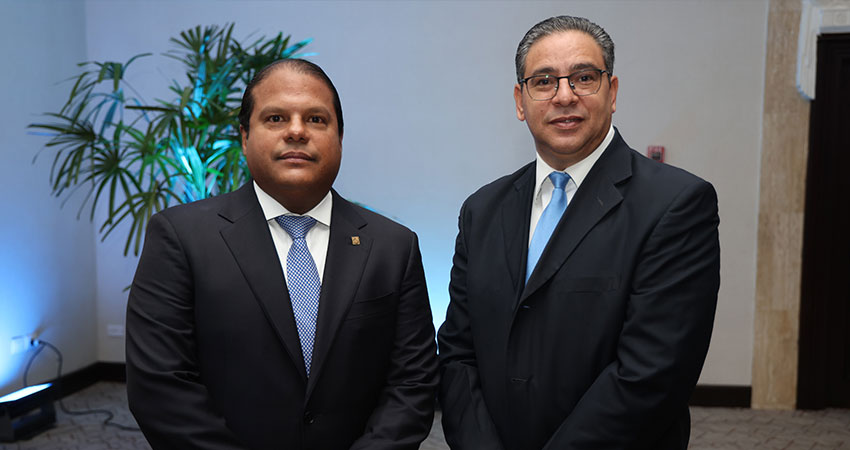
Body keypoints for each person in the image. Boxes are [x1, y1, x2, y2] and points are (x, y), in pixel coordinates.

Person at [437, 15, 720, 450]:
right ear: (520, 100)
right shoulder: (482, 210)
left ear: (612, 92)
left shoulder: (676, 204)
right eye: (543, 81)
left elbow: (652, 374)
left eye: (584, 78)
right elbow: (458, 354)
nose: (564, 95)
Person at [126, 59, 438, 450]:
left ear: (340, 138)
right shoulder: (179, 237)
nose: (296, 131)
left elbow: (412, 382)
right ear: (244, 137)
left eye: (316, 119)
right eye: (275, 118)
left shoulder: (393, 246)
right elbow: (160, 387)